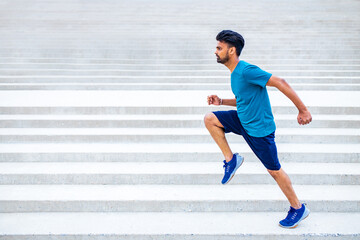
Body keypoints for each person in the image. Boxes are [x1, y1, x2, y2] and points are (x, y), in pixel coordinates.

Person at [204, 30, 312, 229]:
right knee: (210, 118)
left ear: (231, 50)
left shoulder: (246, 70)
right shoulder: (235, 73)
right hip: (243, 121)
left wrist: (303, 110)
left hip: (259, 131)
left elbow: (280, 82)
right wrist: (221, 101)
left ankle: (298, 208)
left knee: (274, 171)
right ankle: (231, 159)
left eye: (219, 48)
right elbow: (244, 100)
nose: (215, 51)